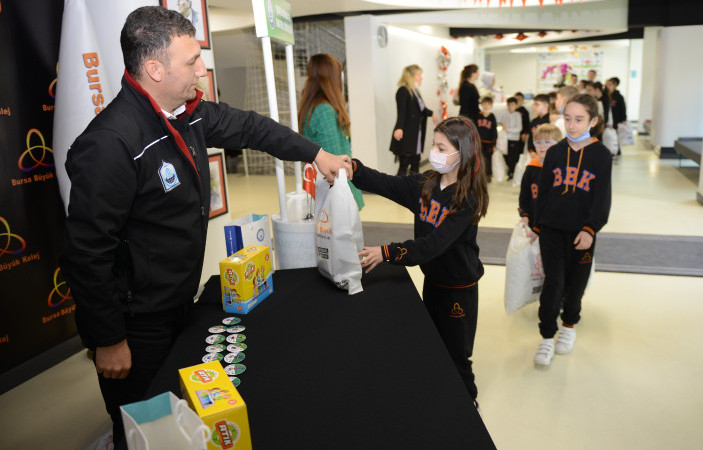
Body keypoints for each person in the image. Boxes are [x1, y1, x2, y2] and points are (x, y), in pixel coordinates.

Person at [59, 8, 351, 449]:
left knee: (180, 417)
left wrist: (315, 154)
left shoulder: (187, 112)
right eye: (192, 61)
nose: (202, 69)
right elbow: (86, 254)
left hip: (179, 300)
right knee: (145, 426)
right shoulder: (110, 144)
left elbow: (254, 129)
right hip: (136, 322)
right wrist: (109, 339)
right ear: (154, 69)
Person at [351, 117, 489, 407]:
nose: (435, 152)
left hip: (458, 287)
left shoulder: (468, 199)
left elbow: (432, 246)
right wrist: (354, 170)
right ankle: (439, 389)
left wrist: (387, 252)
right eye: (433, 146)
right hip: (434, 280)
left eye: (441, 147)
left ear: (461, 153)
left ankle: (468, 400)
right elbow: (387, 183)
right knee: (434, 340)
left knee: (457, 350)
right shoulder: (426, 183)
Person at [529, 94, 612, 366]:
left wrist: (591, 229)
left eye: (579, 120)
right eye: (567, 119)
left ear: (594, 121)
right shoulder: (554, 152)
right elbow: (542, 194)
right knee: (553, 283)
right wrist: (537, 225)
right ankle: (546, 336)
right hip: (552, 230)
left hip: (582, 234)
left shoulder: (601, 156)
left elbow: (602, 198)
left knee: (575, 285)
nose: (572, 125)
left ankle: (568, 327)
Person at [298, 54, 364, 209]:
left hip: (328, 189)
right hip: (336, 191)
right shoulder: (323, 110)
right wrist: (352, 197)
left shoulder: (313, 106)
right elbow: (335, 160)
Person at [389, 64, 434, 176]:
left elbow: (422, 110)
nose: (421, 77)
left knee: (415, 164)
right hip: (407, 134)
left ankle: (414, 191)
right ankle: (397, 191)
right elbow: (402, 112)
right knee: (404, 166)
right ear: (411, 76)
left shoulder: (415, 92)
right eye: (419, 75)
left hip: (415, 135)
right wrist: (399, 128)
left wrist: (433, 114)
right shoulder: (403, 91)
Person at [519, 124, 562, 225]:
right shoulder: (531, 168)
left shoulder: (562, 168)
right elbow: (524, 196)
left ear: (558, 144)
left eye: (547, 142)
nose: (542, 146)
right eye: (538, 142)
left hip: (557, 222)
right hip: (534, 220)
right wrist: (524, 215)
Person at [602, 77, 627, 157]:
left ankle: (616, 151)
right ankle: (608, 150)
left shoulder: (619, 97)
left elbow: (623, 109)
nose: (607, 86)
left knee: (615, 136)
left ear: (615, 85)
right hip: (607, 120)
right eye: (607, 84)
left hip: (616, 120)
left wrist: (623, 119)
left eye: (610, 85)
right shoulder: (605, 96)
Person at [476, 96, 497, 182]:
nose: (486, 106)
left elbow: (494, 131)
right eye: (484, 104)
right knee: (479, 158)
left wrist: (494, 144)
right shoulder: (478, 115)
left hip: (489, 142)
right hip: (479, 141)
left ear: (491, 106)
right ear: (481, 105)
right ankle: (479, 174)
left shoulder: (492, 117)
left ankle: (488, 175)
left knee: (488, 159)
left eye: (488, 104)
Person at [502, 96, 523, 180]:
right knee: (506, 155)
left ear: (516, 106)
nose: (510, 107)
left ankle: (512, 172)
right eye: (509, 105)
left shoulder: (518, 115)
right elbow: (502, 125)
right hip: (505, 139)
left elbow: (519, 128)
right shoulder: (505, 114)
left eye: (513, 105)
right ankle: (510, 170)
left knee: (512, 157)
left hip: (514, 139)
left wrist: (508, 130)